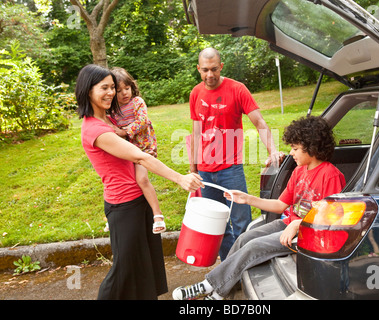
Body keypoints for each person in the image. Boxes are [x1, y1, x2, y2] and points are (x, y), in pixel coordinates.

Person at [173, 116, 345, 300]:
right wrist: (247, 199)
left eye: (295, 148)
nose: (291, 153)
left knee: (254, 246)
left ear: (312, 147)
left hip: (306, 234)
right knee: (244, 239)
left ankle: (209, 287)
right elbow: (280, 205)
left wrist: (297, 226)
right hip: (290, 224)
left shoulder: (331, 175)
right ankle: (224, 290)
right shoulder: (299, 171)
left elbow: (331, 217)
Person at [75, 64, 203, 300]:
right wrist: (180, 178)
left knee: (145, 268)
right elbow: (140, 156)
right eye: (104, 88)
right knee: (123, 271)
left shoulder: (107, 121)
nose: (111, 92)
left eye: (112, 87)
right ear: (88, 91)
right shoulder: (96, 130)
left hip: (137, 200)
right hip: (123, 206)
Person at [189, 47, 283, 260]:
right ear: (198, 69)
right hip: (204, 171)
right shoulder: (195, 93)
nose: (210, 75)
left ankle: (246, 265)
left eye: (214, 69)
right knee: (216, 225)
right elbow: (196, 131)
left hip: (230, 169)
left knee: (242, 222)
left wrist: (273, 150)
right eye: (205, 70)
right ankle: (230, 267)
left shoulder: (237, 89)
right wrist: (192, 168)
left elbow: (259, 122)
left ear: (221, 66)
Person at [110, 67, 164, 234]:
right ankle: (115, 218)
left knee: (141, 179)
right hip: (126, 151)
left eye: (127, 88)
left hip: (143, 147)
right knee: (122, 183)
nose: (125, 93)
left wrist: (125, 131)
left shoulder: (137, 102)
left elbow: (142, 121)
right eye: (119, 90)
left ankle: (158, 215)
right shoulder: (112, 110)